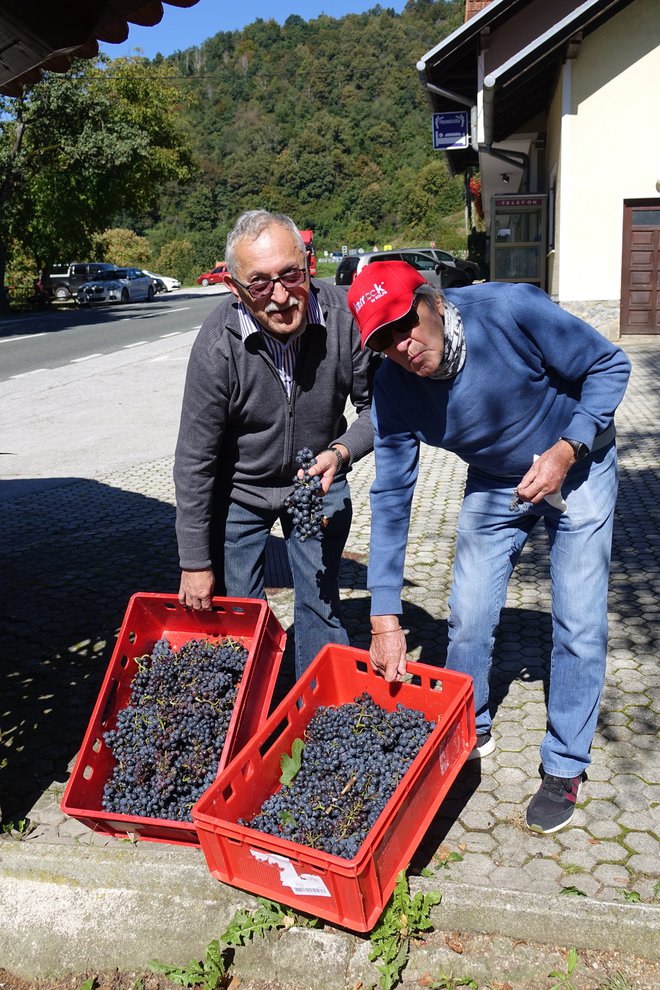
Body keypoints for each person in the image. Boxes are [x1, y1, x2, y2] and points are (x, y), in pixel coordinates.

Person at [346, 261, 631, 834]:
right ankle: (465, 726)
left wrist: (566, 450)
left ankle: (565, 763)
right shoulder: (394, 387)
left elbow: (609, 364)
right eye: (383, 341)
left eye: (405, 325)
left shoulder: (507, 311)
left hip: (577, 460)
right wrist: (384, 615)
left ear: (431, 301)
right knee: (469, 612)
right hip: (499, 479)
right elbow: (393, 496)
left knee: (576, 621)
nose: (403, 347)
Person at [174, 210, 376, 678]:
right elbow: (195, 460)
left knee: (319, 605)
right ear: (235, 289)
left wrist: (342, 451)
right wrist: (194, 561)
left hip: (315, 484)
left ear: (309, 264)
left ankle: (319, 716)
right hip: (240, 492)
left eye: (291, 274)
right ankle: (255, 715)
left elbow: (381, 412)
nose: (281, 296)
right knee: (242, 614)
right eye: (260, 284)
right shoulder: (217, 344)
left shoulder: (346, 319)